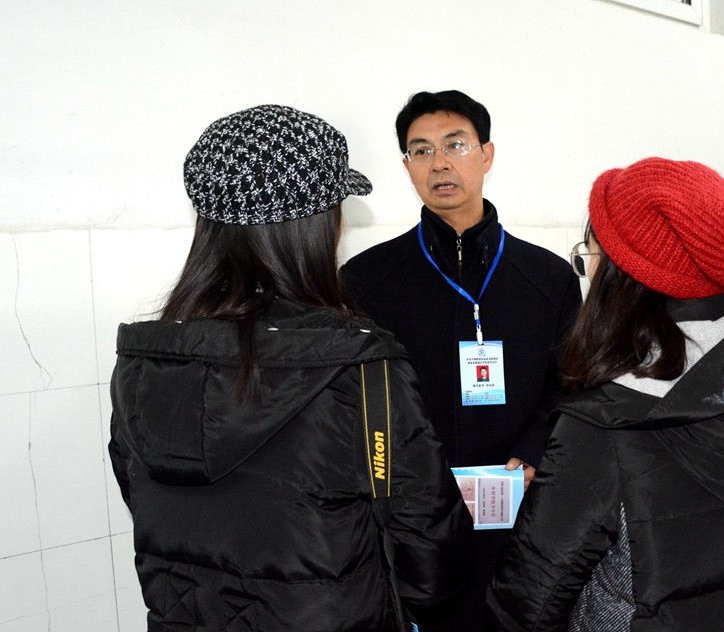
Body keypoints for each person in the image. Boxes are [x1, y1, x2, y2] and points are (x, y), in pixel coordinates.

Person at [108, 104, 473, 631]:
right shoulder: (359, 366)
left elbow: (144, 499)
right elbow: (432, 553)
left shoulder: (143, 362)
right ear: (318, 226)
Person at [488, 157, 724, 631]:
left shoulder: (605, 423)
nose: (589, 273)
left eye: (591, 257)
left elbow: (528, 604)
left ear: (626, 280)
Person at [341, 90, 582, 631]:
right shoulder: (366, 280)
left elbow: (572, 382)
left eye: (456, 145)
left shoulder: (548, 278)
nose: (439, 163)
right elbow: (354, 402)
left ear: (487, 155)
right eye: (421, 150)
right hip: (417, 519)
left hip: (524, 508)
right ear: (407, 166)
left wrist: (535, 449)